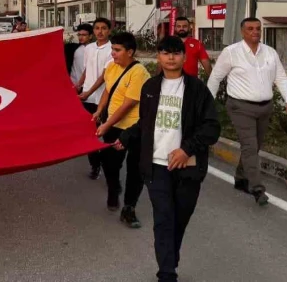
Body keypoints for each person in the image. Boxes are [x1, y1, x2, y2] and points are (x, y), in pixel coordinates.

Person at [116, 36, 221, 282]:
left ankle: (169, 258)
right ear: (159, 57)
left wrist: (186, 149)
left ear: (184, 57)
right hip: (156, 166)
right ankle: (166, 273)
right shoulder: (150, 88)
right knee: (163, 219)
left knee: (179, 219)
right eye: (165, 53)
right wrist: (128, 135)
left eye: (175, 53)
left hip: (188, 167)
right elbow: (146, 122)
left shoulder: (197, 90)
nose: (170, 58)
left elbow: (211, 127)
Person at [207, 17, 287, 205]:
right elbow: (215, 77)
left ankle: (241, 178)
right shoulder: (231, 52)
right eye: (250, 28)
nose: (255, 32)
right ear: (242, 32)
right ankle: (257, 189)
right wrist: (207, 104)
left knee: (254, 147)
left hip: (265, 107)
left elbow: (280, 77)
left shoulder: (270, 52)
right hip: (240, 107)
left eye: (258, 28)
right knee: (249, 146)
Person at [93, 31, 151, 228]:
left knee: (136, 170)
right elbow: (108, 91)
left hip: (134, 129)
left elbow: (128, 104)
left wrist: (105, 125)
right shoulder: (112, 67)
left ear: (130, 52)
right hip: (113, 126)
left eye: (117, 50)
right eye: (112, 49)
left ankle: (129, 208)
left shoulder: (139, 73)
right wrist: (99, 111)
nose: (113, 54)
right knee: (110, 164)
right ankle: (113, 189)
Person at [77, 18, 112, 180]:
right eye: (97, 28)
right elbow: (86, 70)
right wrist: (78, 85)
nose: (100, 31)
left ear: (109, 31)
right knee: (89, 134)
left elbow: (104, 76)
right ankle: (95, 165)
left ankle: (108, 166)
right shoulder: (89, 48)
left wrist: (89, 91)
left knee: (104, 132)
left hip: (103, 99)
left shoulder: (112, 49)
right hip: (87, 99)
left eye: (103, 28)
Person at [70, 24, 93, 91]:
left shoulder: (94, 50)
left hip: (87, 87)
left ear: (90, 36)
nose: (80, 37)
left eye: (84, 35)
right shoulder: (73, 48)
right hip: (73, 85)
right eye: (79, 35)